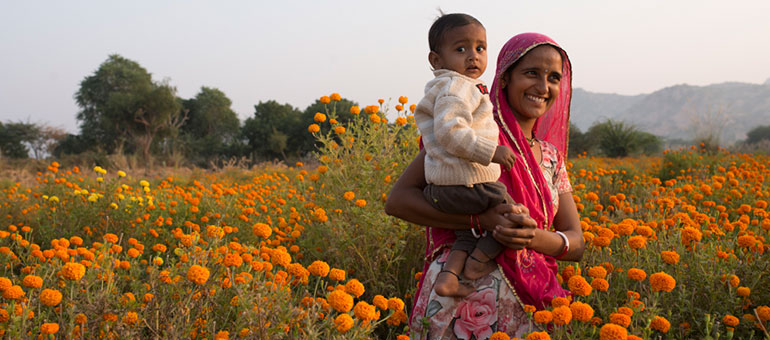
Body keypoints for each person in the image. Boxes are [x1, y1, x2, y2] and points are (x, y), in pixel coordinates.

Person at [385, 32, 585, 339]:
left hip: (530, 308)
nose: (543, 87)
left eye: (554, 77)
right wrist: (479, 221)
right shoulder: (469, 135)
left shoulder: (552, 158)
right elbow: (398, 202)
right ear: (504, 78)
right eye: (531, 73)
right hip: (458, 304)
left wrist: (530, 237)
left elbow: (576, 243)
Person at [414, 13, 517, 298]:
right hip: (468, 184)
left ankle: (449, 277)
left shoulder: (453, 87)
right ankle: (477, 264)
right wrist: (491, 151)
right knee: (514, 218)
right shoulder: (456, 87)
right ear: (436, 60)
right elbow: (450, 132)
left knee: (465, 233)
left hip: (446, 189)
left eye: (480, 48)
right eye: (461, 49)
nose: (473, 56)